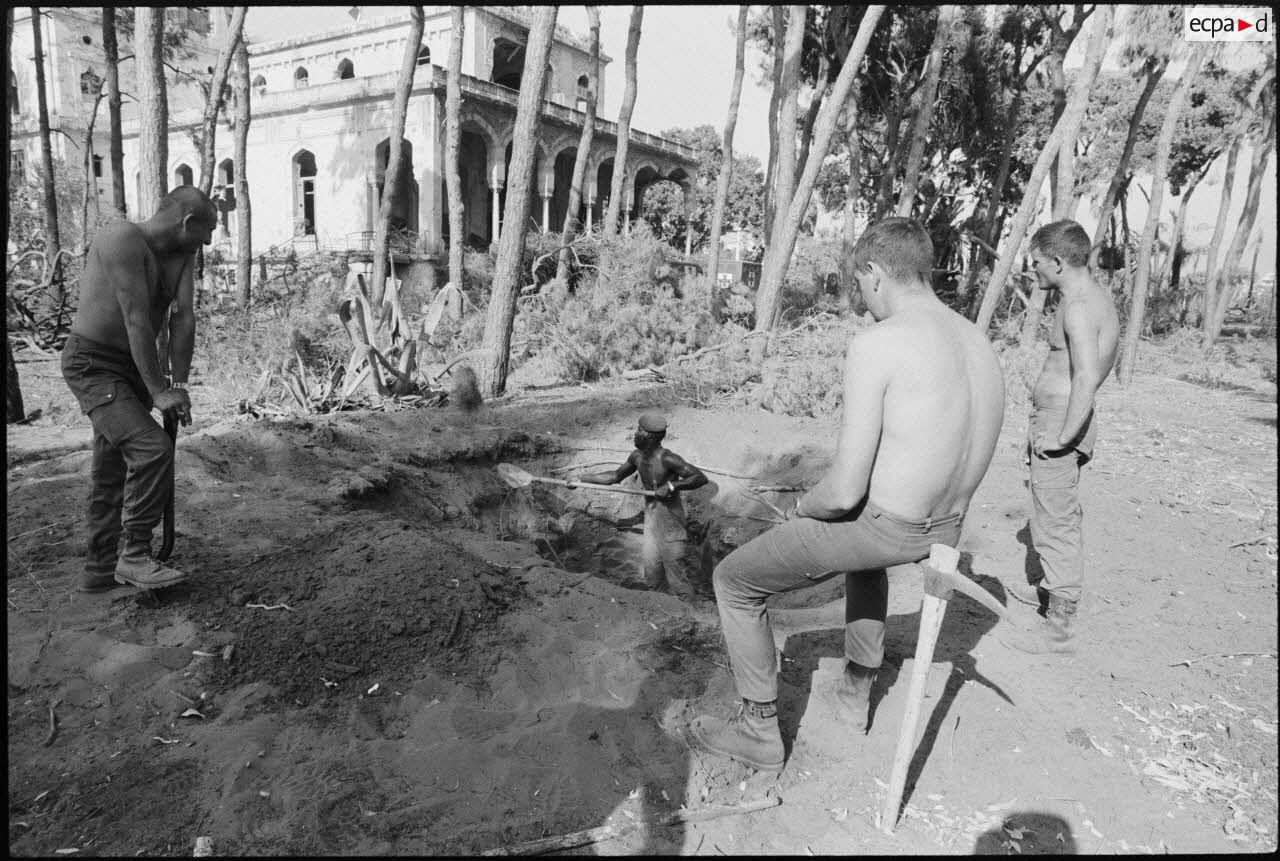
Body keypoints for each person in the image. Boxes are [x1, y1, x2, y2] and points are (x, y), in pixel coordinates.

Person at [687, 218, 1005, 772]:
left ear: (874, 272)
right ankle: (857, 688)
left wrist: (801, 507)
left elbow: (842, 492)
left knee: (733, 581)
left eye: (860, 288)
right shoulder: (979, 343)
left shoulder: (880, 345)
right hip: (946, 530)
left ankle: (758, 730)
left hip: (890, 529)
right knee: (865, 561)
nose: (863, 305)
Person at [61, 186, 216, 593]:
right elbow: (137, 318)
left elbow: (182, 320)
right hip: (93, 364)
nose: (210, 239)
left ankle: (99, 571)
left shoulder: (183, 255)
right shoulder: (121, 238)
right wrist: (158, 389)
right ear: (188, 222)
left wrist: (178, 386)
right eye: (209, 228)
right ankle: (134, 557)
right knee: (151, 449)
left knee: (112, 465)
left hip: (134, 367)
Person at [1000, 220, 1120, 655]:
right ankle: (1055, 599)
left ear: (1057, 261)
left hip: (1060, 422)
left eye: (1036, 264)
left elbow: (1086, 376)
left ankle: (1058, 630)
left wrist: (1062, 436)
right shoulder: (1089, 301)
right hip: (1055, 419)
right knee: (1058, 512)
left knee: (1055, 521)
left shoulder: (1079, 307)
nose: (1034, 271)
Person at [575, 414, 709, 599]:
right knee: (652, 571)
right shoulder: (637, 456)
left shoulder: (668, 459)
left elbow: (700, 477)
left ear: (652, 436)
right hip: (651, 516)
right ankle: (661, 605)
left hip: (671, 518)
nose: (635, 434)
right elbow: (614, 476)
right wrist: (581, 478)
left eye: (639, 431)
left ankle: (692, 612)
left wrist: (672, 486)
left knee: (675, 571)